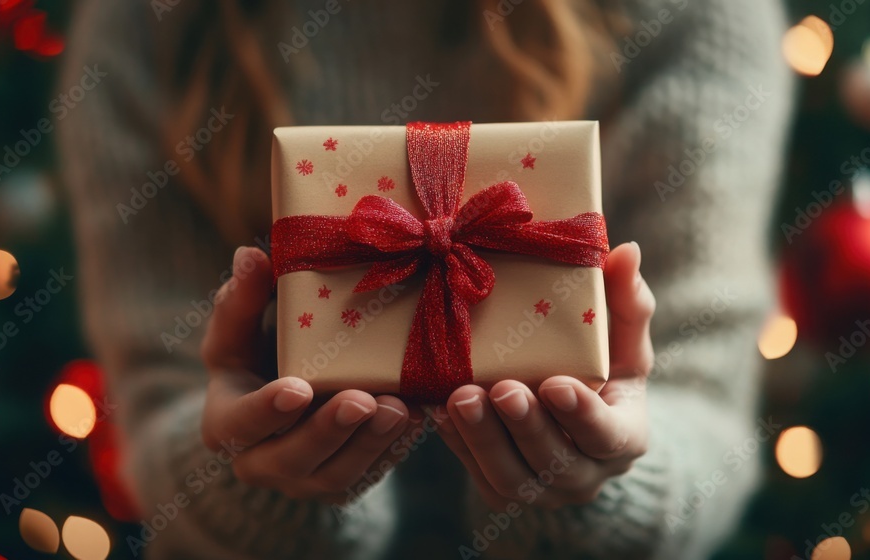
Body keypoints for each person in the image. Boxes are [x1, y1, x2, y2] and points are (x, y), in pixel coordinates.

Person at [58, 0, 792, 558]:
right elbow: (155, 403)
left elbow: (710, 411)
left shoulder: (699, 13)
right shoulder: (148, 20)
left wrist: (607, 479)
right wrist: (246, 475)